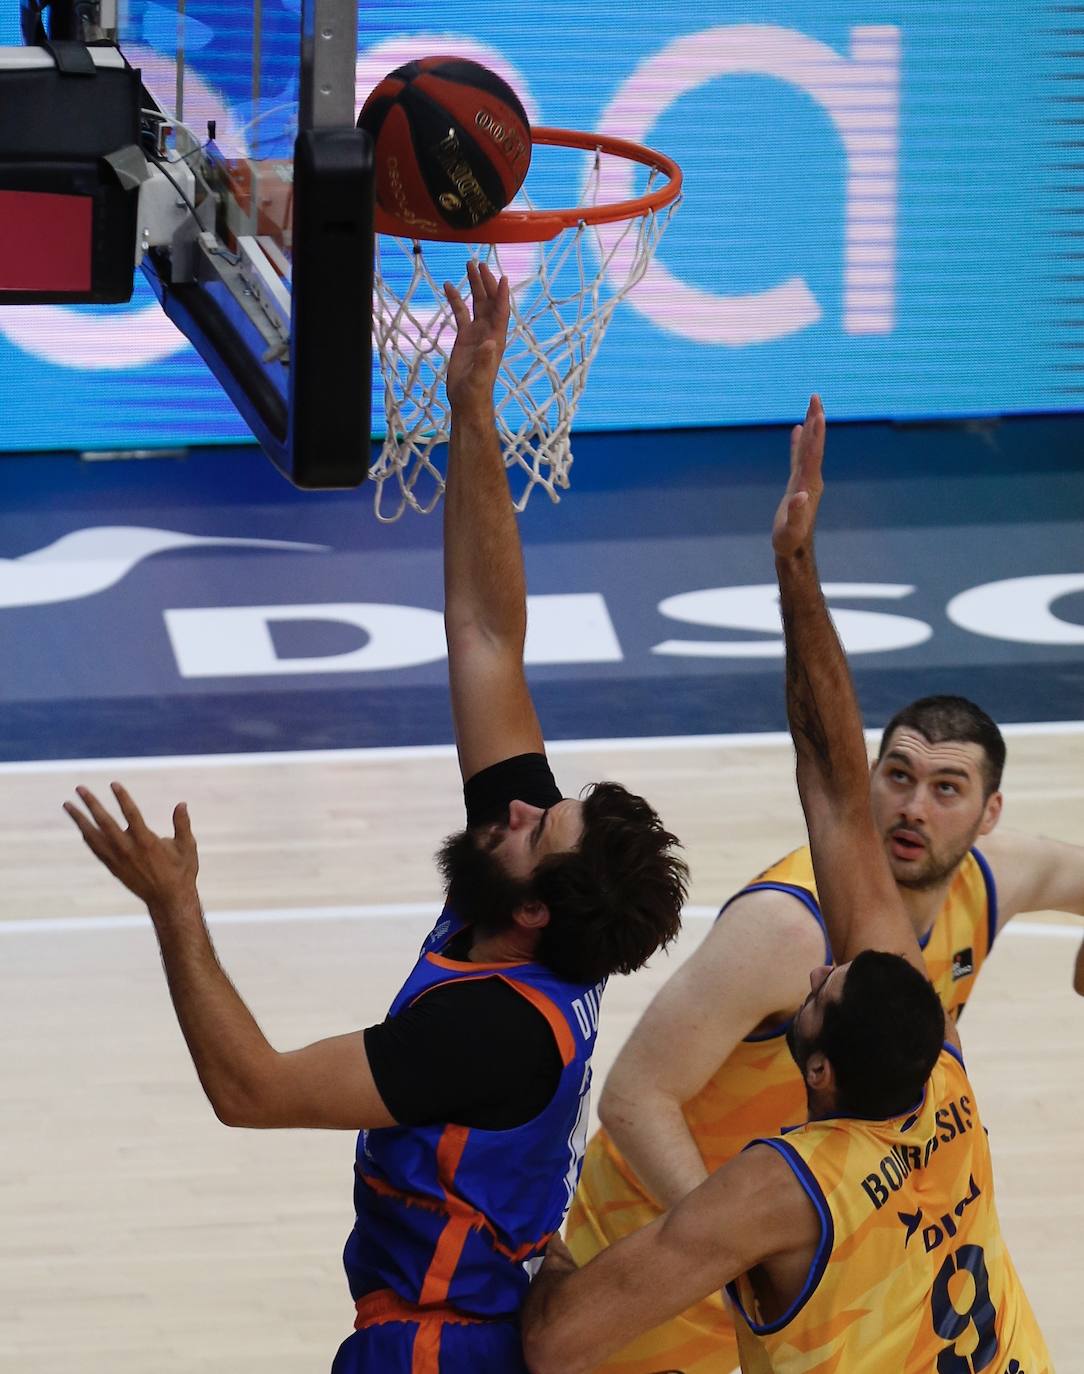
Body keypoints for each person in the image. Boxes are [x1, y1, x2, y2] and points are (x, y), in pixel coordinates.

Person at [63, 261, 687, 1374]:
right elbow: (487, 633)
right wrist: (472, 410)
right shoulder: (521, 901)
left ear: (536, 911)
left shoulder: (485, 1033)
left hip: (434, 1354)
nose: (518, 808)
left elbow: (249, 1091)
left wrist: (174, 904)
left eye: (537, 825)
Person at [522, 395, 1052, 1374]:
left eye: (819, 992)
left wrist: (514, 1249)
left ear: (814, 1077)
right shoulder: (939, 1083)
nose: (816, 973)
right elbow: (833, 788)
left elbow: (553, 1343)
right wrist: (795, 569)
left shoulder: (778, 1194)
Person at [568, 726, 1084, 1368]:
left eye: (947, 789)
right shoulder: (785, 932)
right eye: (898, 775)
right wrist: (735, 1243)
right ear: (866, 780)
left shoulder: (989, 879)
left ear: (990, 813)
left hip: (828, 1225)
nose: (915, 807)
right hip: (671, 1223)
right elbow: (633, 1100)